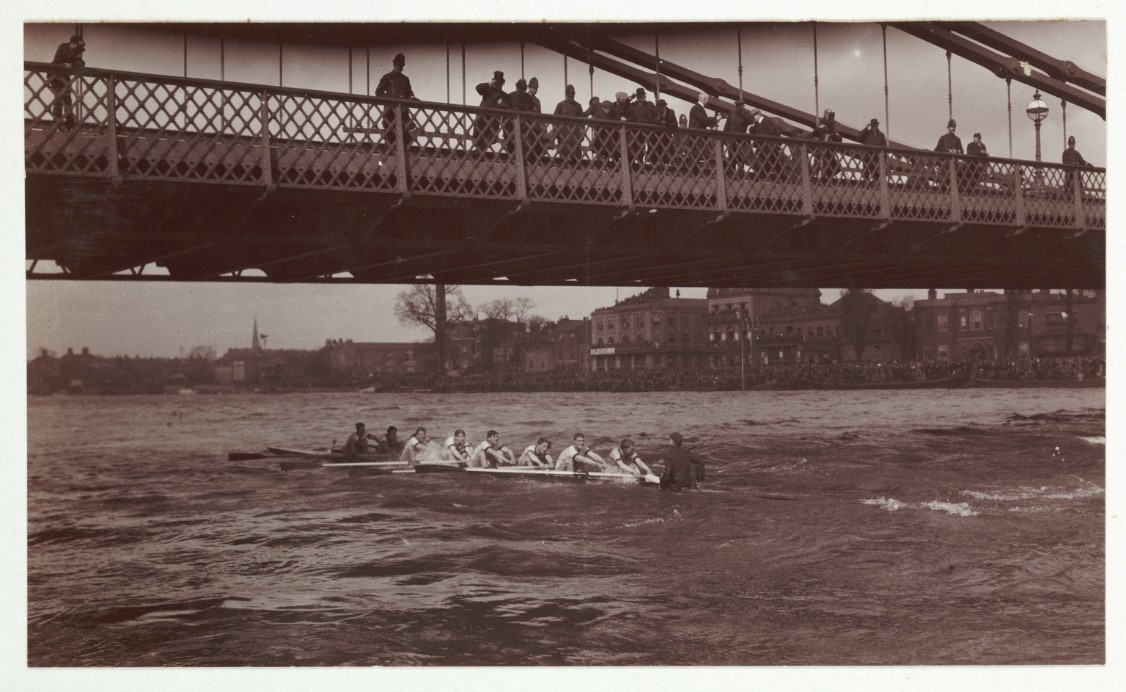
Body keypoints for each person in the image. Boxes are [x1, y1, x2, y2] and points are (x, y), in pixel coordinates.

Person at [375, 52, 418, 145]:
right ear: (394, 64)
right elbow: (378, 92)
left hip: (404, 114)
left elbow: (409, 92)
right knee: (390, 139)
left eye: (402, 65)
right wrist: (391, 97)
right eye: (398, 65)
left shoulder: (405, 79)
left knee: (406, 139)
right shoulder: (387, 77)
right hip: (390, 113)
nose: (400, 67)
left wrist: (412, 97)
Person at [49, 34, 86, 129]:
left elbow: (81, 63)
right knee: (59, 99)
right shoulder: (63, 46)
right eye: (79, 47)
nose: (79, 50)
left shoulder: (73, 51)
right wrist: (69, 62)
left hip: (64, 77)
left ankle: (69, 125)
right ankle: (57, 124)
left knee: (67, 100)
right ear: (73, 44)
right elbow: (67, 55)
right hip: (56, 76)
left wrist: (71, 63)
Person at [473, 71, 511, 153]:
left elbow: (507, 105)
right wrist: (489, 83)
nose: (499, 86)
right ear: (494, 83)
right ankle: (478, 153)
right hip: (482, 119)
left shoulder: (504, 95)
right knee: (479, 137)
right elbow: (478, 88)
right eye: (497, 84)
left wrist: (501, 104)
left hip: (493, 121)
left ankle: (478, 153)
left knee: (489, 139)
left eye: (501, 84)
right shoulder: (487, 90)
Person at [749, 109, 788, 180]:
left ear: (758, 115)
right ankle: (762, 178)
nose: (753, 118)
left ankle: (782, 178)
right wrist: (752, 129)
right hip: (764, 147)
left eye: (753, 116)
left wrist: (776, 145)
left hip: (770, 147)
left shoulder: (767, 121)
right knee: (767, 163)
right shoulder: (758, 123)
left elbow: (775, 133)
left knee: (773, 164)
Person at [553, 84, 585, 164]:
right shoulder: (561, 105)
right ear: (566, 95)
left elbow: (582, 122)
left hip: (575, 135)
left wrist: (582, 134)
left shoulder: (578, 106)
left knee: (575, 159)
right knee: (564, 158)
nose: (570, 98)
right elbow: (555, 120)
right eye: (569, 96)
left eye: (572, 96)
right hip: (563, 134)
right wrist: (556, 133)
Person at [809, 109, 843, 181]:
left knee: (828, 165)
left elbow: (839, 140)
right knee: (819, 164)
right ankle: (817, 178)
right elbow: (813, 134)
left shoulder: (832, 129)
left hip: (829, 151)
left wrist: (836, 135)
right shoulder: (822, 127)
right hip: (821, 149)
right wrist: (819, 127)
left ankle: (825, 178)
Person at [723, 100, 755, 176]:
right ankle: (731, 173)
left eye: (740, 106)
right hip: (731, 139)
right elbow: (727, 126)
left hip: (741, 140)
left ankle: (740, 174)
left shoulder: (746, 113)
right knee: (731, 157)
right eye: (737, 106)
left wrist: (743, 114)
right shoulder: (732, 113)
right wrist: (725, 138)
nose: (739, 108)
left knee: (741, 157)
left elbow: (750, 121)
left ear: (743, 106)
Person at [628, 88, 657, 165]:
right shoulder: (632, 105)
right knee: (633, 147)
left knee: (648, 147)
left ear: (645, 96)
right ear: (636, 97)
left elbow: (655, 117)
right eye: (639, 97)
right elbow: (624, 108)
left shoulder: (650, 105)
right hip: (635, 131)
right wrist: (630, 98)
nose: (641, 98)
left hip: (648, 131)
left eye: (642, 97)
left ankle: (647, 165)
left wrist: (643, 121)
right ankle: (633, 165)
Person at [858, 118, 887, 184]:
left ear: (877, 125)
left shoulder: (882, 135)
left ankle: (875, 188)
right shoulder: (867, 133)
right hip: (867, 157)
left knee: (876, 175)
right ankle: (866, 188)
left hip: (876, 157)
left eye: (875, 125)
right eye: (873, 125)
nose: (874, 127)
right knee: (866, 174)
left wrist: (884, 158)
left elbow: (884, 147)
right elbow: (859, 137)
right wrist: (866, 128)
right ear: (871, 126)